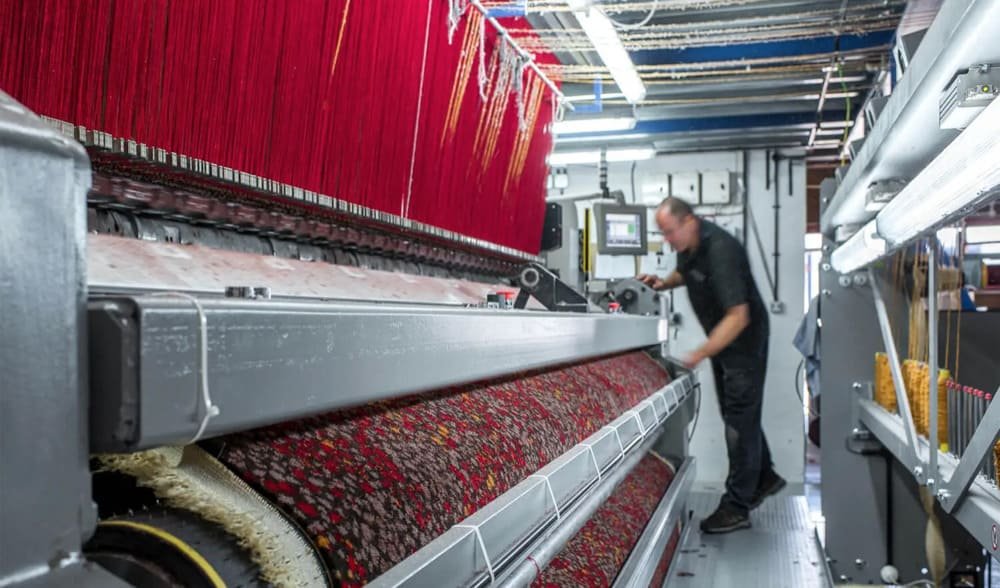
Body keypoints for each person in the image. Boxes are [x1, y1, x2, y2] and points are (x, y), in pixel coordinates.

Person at [638, 196, 785, 534]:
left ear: (689, 220)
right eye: (663, 233)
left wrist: (699, 353)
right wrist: (663, 283)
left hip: (742, 347)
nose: (668, 240)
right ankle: (764, 477)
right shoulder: (691, 246)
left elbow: (738, 317)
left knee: (738, 426)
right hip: (726, 345)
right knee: (739, 417)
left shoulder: (721, 250)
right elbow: (686, 271)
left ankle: (737, 507)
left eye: (670, 232)